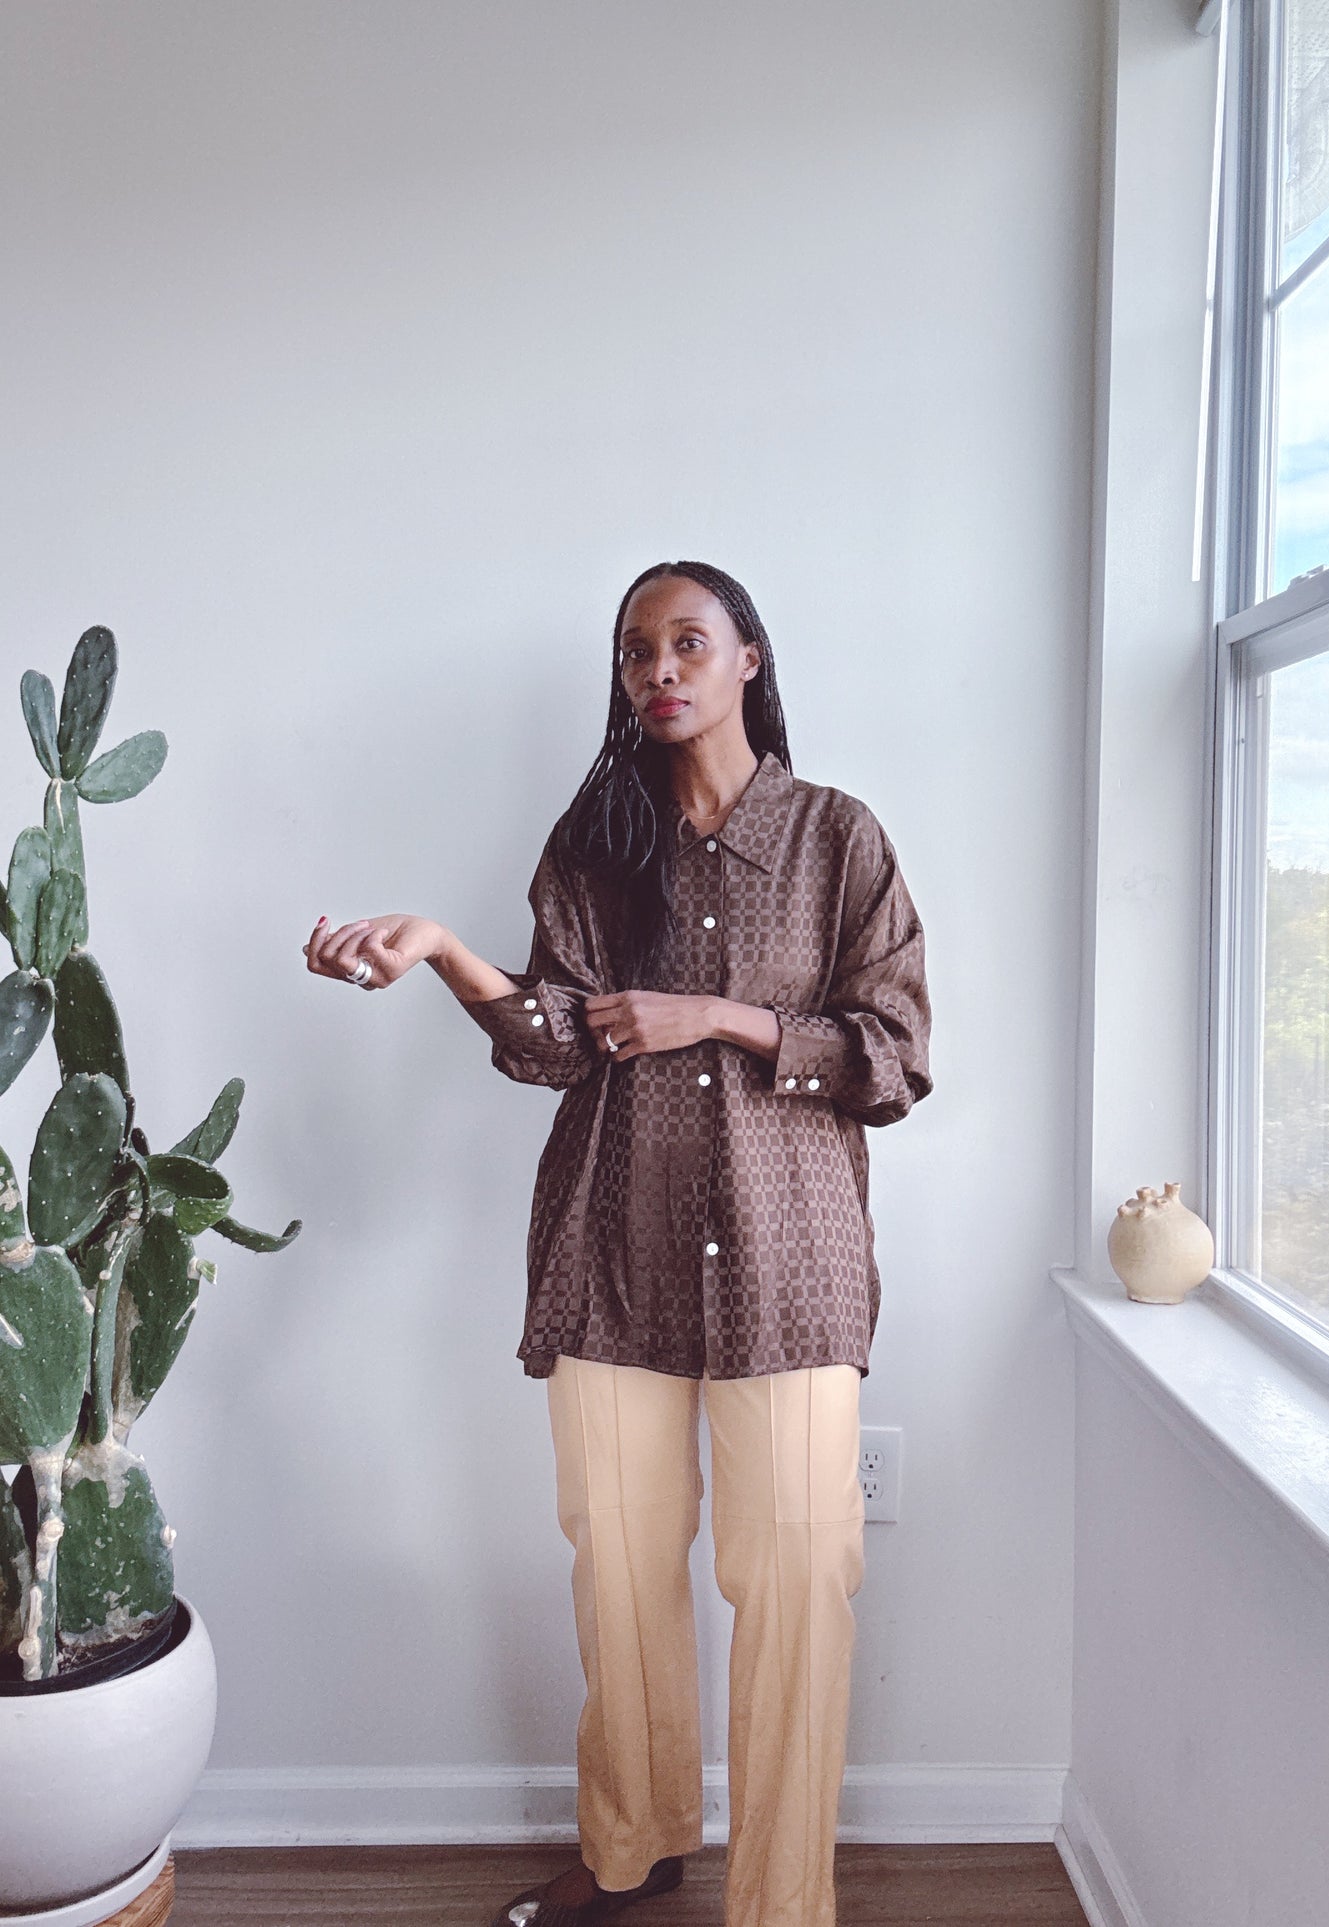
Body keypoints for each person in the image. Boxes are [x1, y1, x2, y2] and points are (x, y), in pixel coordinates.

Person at [303, 560, 933, 1927]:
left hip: (788, 1263)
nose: (660, 669)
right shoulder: (595, 848)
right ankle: (632, 1847)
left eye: (689, 642)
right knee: (620, 1570)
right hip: (613, 1250)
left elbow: (892, 1057)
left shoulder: (838, 839)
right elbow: (553, 1046)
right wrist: (447, 953)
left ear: (749, 658)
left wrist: (719, 1017)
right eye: (638, 649)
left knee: (796, 1576)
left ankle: (781, 1903)